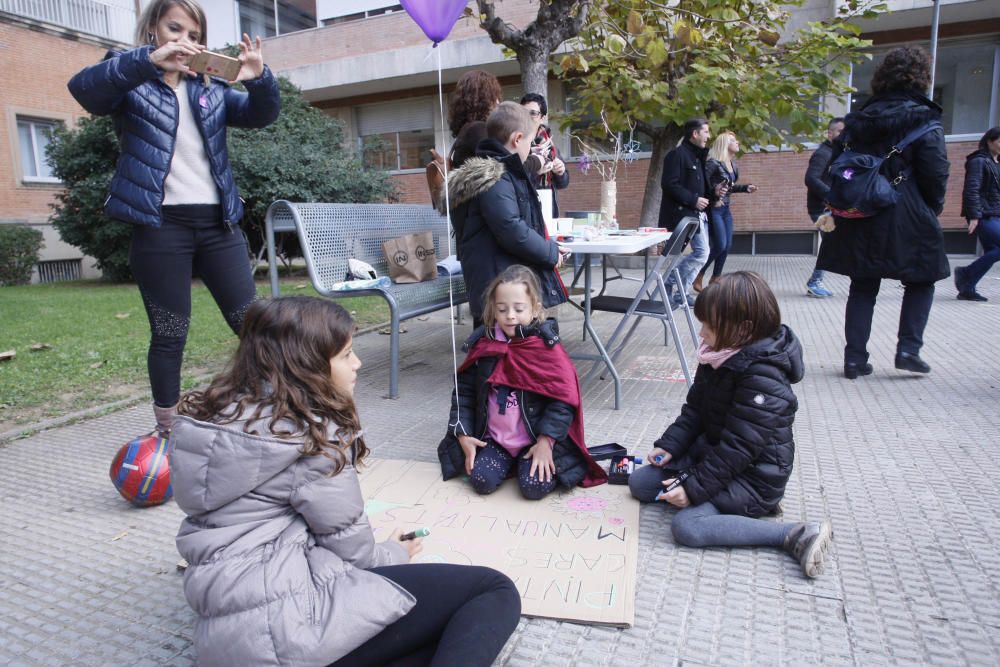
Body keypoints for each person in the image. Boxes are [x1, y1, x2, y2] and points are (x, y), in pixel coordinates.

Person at [169, 297, 521, 667]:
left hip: (232, 641)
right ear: (308, 366)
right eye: (347, 354)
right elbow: (357, 554)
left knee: (439, 636)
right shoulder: (305, 436)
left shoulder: (226, 420)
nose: (358, 363)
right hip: (291, 633)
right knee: (493, 591)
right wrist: (396, 552)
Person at [67, 0, 281, 437]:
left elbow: (261, 115)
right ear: (154, 31)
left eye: (193, 34)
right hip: (161, 227)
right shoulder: (128, 78)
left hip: (218, 227)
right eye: (175, 30)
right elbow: (84, 90)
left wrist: (260, 80)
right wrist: (146, 63)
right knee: (170, 332)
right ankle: (167, 428)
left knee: (253, 325)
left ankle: (275, 412)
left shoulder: (210, 89)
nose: (185, 41)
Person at [628, 272, 833, 579]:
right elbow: (695, 410)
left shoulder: (762, 375)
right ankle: (735, 509)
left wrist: (693, 490)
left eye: (708, 325)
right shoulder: (718, 355)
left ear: (742, 329)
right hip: (716, 456)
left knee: (688, 526)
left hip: (754, 475)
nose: (701, 333)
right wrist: (670, 446)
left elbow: (739, 448)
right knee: (641, 483)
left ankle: (794, 534)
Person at [816, 46, 950, 379]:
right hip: (907, 212)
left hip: (860, 211)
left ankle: (854, 359)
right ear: (921, 79)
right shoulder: (925, 121)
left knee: (862, 286)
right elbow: (936, 173)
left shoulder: (858, 120)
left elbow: (836, 166)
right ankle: (908, 349)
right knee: (922, 279)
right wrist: (929, 209)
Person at [437, 266, 607, 499]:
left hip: (534, 441)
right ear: (492, 309)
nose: (510, 315)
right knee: (481, 481)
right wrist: (463, 434)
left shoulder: (546, 348)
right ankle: (507, 460)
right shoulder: (485, 345)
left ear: (535, 309)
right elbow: (463, 393)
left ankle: (529, 461)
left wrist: (546, 443)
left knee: (533, 488)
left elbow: (563, 401)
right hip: (494, 440)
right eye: (502, 309)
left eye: (519, 308)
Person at [446, 102, 571, 323]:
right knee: (495, 349)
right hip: (496, 284)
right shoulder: (495, 176)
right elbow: (511, 228)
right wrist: (550, 253)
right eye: (529, 143)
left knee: (502, 348)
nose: (530, 149)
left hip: (500, 279)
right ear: (517, 139)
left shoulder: (503, 173)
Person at [659, 118, 723, 308]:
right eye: (706, 132)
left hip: (696, 216)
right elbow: (669, 184)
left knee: (702, 253)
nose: (708, 136)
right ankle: (668, 283)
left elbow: (701, 188)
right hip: (683, 215)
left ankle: (681, 293)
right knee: (702, 253)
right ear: (695, 134)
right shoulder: (677, 155)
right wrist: (693, 200)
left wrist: (714, 192)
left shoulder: (698, 157)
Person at [696, 131, 757, 291]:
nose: (737, 142)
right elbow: (703, 186)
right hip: (714, 209)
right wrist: (714, 198)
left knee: (727, 245)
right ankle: (698, 274)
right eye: (733, 140)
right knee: (720, 245)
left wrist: (745, 188)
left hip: (725, 209)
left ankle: (715, 279)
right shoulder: (713, 163)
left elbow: (727, 187)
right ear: (724, 144)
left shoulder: (732, 163)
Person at [954, 126, 1000, 302]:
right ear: (990, 141)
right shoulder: (978, 161)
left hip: (995, 214)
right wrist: (974, 215)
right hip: (983, 215)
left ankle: (967, 288)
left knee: (994, 251)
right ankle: (965, 273)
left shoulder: (997, 162)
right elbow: (971, 189)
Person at [803, 117, 845, 298]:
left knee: (833, 244)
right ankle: (814, 282)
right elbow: (811, 179)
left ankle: (815, 281)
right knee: (830, 244)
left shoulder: (835, 153)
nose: (845, 136)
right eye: (841, 132)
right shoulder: (823, 153)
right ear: (830, 133)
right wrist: (831, 196)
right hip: (821, 209)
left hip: (829, 207)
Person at [520, 93, 569, 218]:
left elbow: (563, 183)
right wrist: (536, 170)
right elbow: (513, 179)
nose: (527, 117)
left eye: (533, 113)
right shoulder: (515, 142)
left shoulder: (548, 144)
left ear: (542, 118)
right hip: (524, 212)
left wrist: (560, 172)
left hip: (548, 211)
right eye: (524, 112)